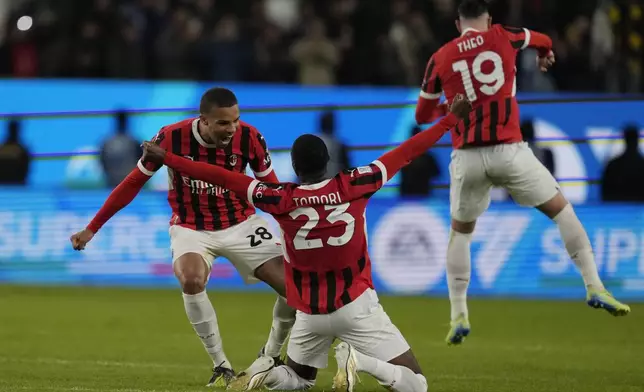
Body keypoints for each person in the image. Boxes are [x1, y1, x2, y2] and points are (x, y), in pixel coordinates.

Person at [140, 94, 473, 392]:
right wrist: (450, 119)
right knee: (417, 385)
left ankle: (262, 376)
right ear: (328, 161)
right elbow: (408, 152)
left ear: (294, 168)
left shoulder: (279, 197)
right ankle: (361, 361)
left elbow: (219, 176)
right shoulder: (357, 183)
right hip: (355, 305)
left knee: (298, 379)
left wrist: (168, 158)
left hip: (310, 313)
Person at [415, 0, 630, 346]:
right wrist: (545, 55)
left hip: (468, 157)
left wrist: (451, 104)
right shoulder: (505, 36)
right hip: (509, 151)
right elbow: (543, 39)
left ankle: (458, 314)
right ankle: (594, 286)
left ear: (458, 24)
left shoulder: (440, 57)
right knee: (562, 211)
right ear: (487, 19)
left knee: (461, 234)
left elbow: (423, 115)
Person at [69, 87, 296, 387]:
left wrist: (293, 227)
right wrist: (92, 227)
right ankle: (221, 365)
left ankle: (270, 354)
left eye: (235, 121)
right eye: (223, 123)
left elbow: (272, 189)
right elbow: (133, 182)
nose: (232, 129)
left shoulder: (250, 138)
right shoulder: (171, 137)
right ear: (204, 120)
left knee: (294, 289)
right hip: (191, 226)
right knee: (191, 279)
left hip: (242, 223)